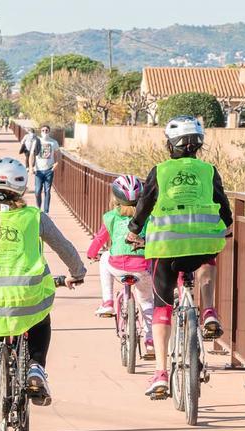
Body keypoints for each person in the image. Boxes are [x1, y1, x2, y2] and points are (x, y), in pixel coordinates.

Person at [0, 157, 87, 423]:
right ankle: (36, 366)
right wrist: (77, 272)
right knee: (40, 318)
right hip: (26, 295)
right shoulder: (35, 217)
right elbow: (64, 247)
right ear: (22, 189)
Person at [126, 115, 233, 397]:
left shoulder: (159, 171)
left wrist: (134, 230)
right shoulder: (209, 170)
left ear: (169, 144)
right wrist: (228, 228)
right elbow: (223, 206)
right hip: (203, 242)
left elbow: (144, 204)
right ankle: (208, 310)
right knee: (208, 255)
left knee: (163, 308)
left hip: (166, 246)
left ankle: (160, 372)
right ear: (198, 146)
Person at [87, 175, 156, 359]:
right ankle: (150, 341)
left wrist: (91, 254)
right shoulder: (148, 217)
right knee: (147, 302)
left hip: (117, 266)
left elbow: (100, 239)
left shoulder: (110, 217)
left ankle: (108, 302)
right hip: (142, 267)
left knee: (105, 258)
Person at [28, 125, 59, 213]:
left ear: (49, 131)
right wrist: (31, 167)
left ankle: (46, 211)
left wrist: (56, 163)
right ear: (40, 132)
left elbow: (57, 154)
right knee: (37, 191)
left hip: (49, 170)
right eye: (43, 130)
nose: (45, 132)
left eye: (46, 130)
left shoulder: (54, 142)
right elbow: (31, 155)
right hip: (38, 171)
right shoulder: (37, 141)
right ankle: (38, 208)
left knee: (47, 190)